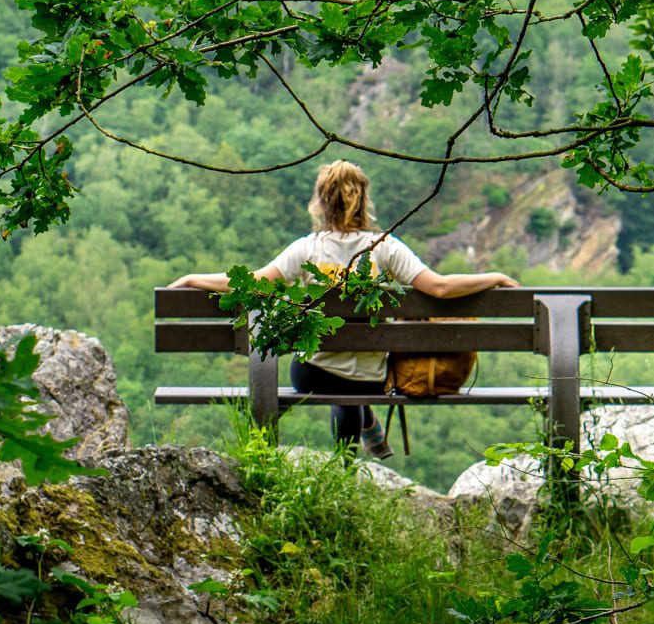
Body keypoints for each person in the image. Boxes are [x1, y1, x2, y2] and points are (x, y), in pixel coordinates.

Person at [167, 160, 518, 458]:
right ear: (364, 201)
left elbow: (254, 282)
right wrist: (495, 276)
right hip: (370, 377)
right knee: (352, 389)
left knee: (323, 366)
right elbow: (439, 287)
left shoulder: (307, 249)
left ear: (320, 203)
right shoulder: (385, 249)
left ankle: (352, 444)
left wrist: (193, 278)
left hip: (316, 374)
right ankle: (351, 454)